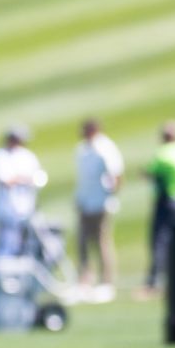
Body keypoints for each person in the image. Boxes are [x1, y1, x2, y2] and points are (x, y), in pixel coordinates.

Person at [72, 117, 123, 300]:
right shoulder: (82, 150)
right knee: (83, 242)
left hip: (101, 203)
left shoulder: (105, 148)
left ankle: (106, 282)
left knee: (102, 243)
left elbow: (116, 175)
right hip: (85, 202)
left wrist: (111, 195)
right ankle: (84, 280)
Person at [140, 120, 175, 294]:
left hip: (164, 199)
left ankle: (154, 280)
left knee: (159, 241)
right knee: (174, 240)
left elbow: (151, 172)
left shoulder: (163, 153)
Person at [0, 125, 47, 257]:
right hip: (6, 211)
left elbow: (38, 179)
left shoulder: (28, 157)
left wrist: (23, 180)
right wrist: (24, 179)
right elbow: (4, 181)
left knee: (27, 248)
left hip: (27, 210)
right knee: (6, 248)